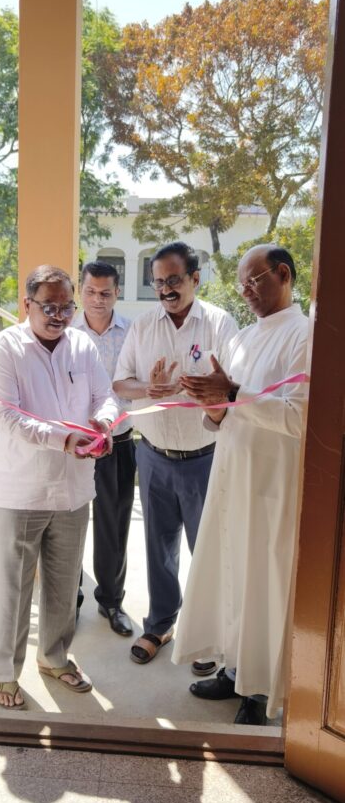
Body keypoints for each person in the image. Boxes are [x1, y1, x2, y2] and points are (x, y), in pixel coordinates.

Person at [172, 245, 309, 725]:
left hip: (271, 484)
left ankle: (261, 687)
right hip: (231, 472)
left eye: (254, 280)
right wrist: (213, 407)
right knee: (231, 576)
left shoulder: (306, 335)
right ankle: (233, 671)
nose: (246, 291)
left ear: (283, 274)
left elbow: (300, 418)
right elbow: (228, 413)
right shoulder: (244, 338)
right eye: (241, 284)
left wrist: (231, 392)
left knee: (262, 584)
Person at [0, 264, 118, 708]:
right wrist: (65, 440)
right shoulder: (4, 349)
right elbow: (8, 417)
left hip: (73, 490)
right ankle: (4, 672)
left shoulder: (82, 345)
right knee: (13, 588)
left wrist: (104, 422)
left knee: (63, 583)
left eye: (66, 307)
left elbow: (106, 395)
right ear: (27, 305)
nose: (59, 316)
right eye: (48, 307)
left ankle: (54, 657)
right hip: (20, 491)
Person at [113, 241, 237, 666]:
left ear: (195, 279)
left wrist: (215, 391)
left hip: (206, 458)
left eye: (174, 280)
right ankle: (160, 624)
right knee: (158, 548)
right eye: (158, 282)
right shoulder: (143, 326)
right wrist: (149, 388)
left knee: (209, 553)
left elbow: (235, 386)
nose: (165, 289)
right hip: (153, 457)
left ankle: (208, 638)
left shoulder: (220, 324)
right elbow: (121, 384)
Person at [72, 261, 136, 636]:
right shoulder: (66, 332)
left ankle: (111, 600)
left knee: (114, 525)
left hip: (119, 442)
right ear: (80, 291)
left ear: (117, 293)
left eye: (106, 293)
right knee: (70, 524)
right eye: (91, 292)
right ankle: (70, 599)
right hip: (75, 446)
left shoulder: (132, 332)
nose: (98, 299)